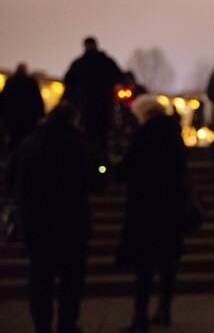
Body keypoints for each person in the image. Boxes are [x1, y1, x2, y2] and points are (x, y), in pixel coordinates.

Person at [6, 102, 98, 333]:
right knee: (72, 278)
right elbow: (97, 181)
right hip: (73, 221)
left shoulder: (29, 144)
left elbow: (10, 178)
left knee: (40, 278)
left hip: (38, 222)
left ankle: (42, 323)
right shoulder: (80, 144)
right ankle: (67, 323)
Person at [115, 94, 187, 332]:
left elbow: (127, 169)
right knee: (168, 266)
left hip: (146, 210)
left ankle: (140, 317)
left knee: (144, 269)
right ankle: (164, 310)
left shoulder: (144, 135)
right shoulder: (174, 135)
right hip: (171, 209)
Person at [62, 36, 123, 157]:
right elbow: (119, 77)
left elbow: (68, 80)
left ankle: (89, 157)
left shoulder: (79, 63)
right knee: (103, 134)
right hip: (103, 104)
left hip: (86, 105)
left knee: (87, 134)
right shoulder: (106, 61)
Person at [0, 62, 45, 150]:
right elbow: (38, 101)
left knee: (13, 139)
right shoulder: (31, 83)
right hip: (27, 119)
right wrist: (40, 116)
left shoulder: (10, 82)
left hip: (12, 117)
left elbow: (3, 99)